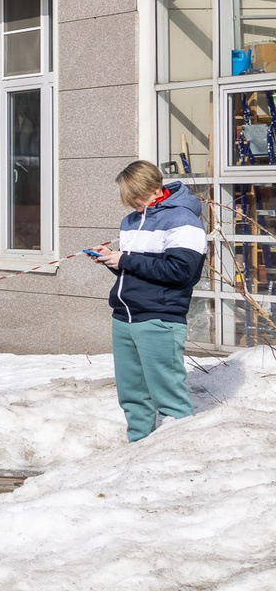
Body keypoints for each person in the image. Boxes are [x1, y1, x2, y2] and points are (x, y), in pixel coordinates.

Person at [98, 158, 205, 442]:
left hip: (159, 318)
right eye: (129, 198)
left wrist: (126, 260)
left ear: (156, 188)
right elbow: (135, 268)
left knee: (170, 400)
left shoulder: (184, 221)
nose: (133, 202)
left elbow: (180, 272)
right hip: (124, 317)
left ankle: (177, 458)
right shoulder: (131, 221)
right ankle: (137, 454)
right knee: (132, 397)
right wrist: (112, 259)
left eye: (137, 196)